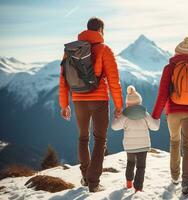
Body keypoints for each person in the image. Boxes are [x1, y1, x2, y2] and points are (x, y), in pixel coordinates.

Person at [59, 17, 123, 192]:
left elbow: (63, 79)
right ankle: (93, 182)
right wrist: (119, 105)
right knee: (100, 139)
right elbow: (114, 81)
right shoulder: (104, 49)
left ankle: (85, 177)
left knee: (83, 137)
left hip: (79, 100)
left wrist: (64, 104)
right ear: (101, 30)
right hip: (99, 100)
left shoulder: (70, 50)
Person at [152, 37, 188, 196]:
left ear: (176, 53)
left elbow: (162, 94)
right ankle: (187, 182)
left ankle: (175, 177)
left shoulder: (170, 67)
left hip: (174, 113)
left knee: (174, 143)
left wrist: (155, 116)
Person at [111, 85, 160, 193]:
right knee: (141, 167)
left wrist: (116, 116)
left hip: (130, 146)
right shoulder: (145, 114)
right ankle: (138, 188)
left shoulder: (124, 115)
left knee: (130, 163)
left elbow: (114, 127)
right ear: (140, 102)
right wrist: (157, 119)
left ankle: (129, 183)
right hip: (143, 145)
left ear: (127, 104)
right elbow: (155, 127)